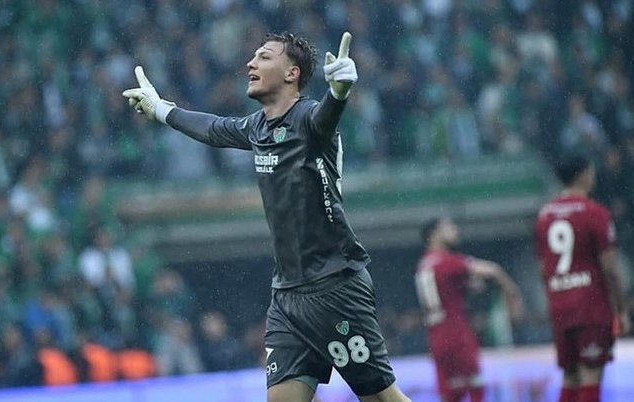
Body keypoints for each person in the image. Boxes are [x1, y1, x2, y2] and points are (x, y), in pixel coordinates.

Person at [123, 31, 411, 402]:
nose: (251, 63)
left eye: (264, 57)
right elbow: (213, 129)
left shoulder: (308, 118)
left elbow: (326, 117)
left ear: (292, 73)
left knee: (382, 399)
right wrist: (161, 109)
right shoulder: (258, 127)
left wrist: (339, 93)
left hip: (334, 286)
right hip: (287, 297)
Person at [534, 152, 631, 402]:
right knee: (590, 374)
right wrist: (621, 310)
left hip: (560, 308)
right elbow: (609, 268)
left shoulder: (544, 216)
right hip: (590, 306)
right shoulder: (594, 212)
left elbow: (543, 268)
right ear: (584, 175)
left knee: (570, 376)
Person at [415, 216, 523, 402]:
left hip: (436, 336)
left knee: (450, 394)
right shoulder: (447, 261)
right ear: (435, 234)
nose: (455, 230)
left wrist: (466, 286)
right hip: (456, 335)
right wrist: (513, 294)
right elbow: (493, 270)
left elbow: (453, 288)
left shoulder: (424, 265)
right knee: (476, 389)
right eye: (449, 226)